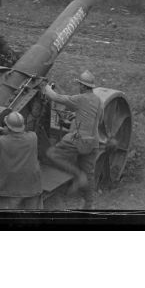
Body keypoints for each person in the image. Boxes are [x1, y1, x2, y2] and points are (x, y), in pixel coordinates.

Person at [42, 70, 101, 209]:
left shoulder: (80, 99)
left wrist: (46, 87)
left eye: (80, 84)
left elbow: (55, 97)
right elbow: (98, 119)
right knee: (89, 173)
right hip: (93, 143)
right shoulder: (98, 100)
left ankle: (77, 174)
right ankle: (89, 204)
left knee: (52, 154)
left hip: (79, 139)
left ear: (83, 86)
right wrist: (76, 118)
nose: (79, 86)